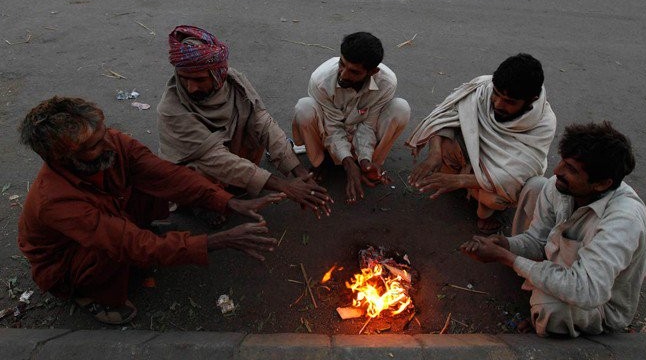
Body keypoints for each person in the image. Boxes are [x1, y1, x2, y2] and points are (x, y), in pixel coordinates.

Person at [18, 97, 286, 325]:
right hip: (70, 260)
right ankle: (92, 295)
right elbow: (128, 242)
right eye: (94, 146)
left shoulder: (113, 143)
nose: (108, 144)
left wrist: (228, 201)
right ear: (65, 159)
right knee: (119, 247)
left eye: (104, 133)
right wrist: (220, 240)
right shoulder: (54, 201)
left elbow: (167, 176)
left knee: (154, 184)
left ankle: (148, 242)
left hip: (114, 223)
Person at [461, 122, 646, 337]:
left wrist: (508, 258)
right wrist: (506, 244)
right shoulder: (558, 187)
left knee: (550, 308)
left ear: (601, 184)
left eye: (570, 169)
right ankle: (537, 284)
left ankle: (549, 321)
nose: (557, 170)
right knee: (536, 186)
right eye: (563, 161)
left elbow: (587, 291)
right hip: (564, 270)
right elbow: (538, 240)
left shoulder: (623, 221)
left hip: (598, 304)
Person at [158, 25, 331, 222]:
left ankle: (236, 185)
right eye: (184, 78)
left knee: (254, 126)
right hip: (201, 163)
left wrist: (299, 173)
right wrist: (284, 186)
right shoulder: (171, 109)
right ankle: (206, 205)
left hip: (229, 154)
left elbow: (263, 123)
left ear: (218, 75)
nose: (190, 87)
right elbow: (215, 158)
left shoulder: (235, 82)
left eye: (199, 79)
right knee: (196, 171)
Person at [406, 53, 556, 233]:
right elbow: (443, 117)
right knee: (445, 141)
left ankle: (483, 210)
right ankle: (461, 181)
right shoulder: (483, 88)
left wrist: (459, 181)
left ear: (531, 100)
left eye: (509, 102)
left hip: (499, 176)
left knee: (494, 198)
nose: (498, 104)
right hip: (467, 158)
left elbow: (514, 178)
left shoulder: (544, 124)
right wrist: (434, 155)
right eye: (497, 94)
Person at [292, 32, 411, 203]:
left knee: (401, 109)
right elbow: (332, 127)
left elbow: (368, 126)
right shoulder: (321, 79)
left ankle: (371, 165)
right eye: (342, 64)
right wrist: (348, 164)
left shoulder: (387, 82)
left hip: (358, 132)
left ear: (372, 72)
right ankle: (322, 162)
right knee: (304, 108)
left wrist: (364, 160)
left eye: (354, 72)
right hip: (328, 132)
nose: (343, 74)